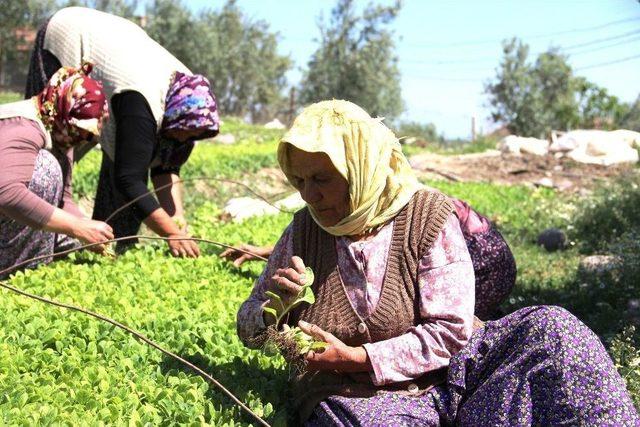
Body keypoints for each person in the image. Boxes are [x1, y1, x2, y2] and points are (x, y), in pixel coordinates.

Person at [236, 100, 638, 425]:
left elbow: (452, 331)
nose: (309, 195)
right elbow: (249, 328)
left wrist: (363, 356)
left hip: (460, 377)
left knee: (552, 331)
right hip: (361, 399)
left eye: (321, 179)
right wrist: (273, 307)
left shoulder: (428, 217)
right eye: (299, 181)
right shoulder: (303, 231)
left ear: (360, 169)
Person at [25, 7, 220, 258]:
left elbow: (166, 168)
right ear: (173, 116)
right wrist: (171, 233)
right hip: (70, 34)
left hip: (122, 53)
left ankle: (105, 247)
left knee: (129, 163)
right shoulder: (142, 102)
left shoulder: (191, 104)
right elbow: (129, 179)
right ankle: (35, 247)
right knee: (50, 153)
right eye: (185, 134)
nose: (186, 140)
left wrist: (177, 220)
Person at [224, 196, 515, 320]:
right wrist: (270, 253)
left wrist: (358, 357)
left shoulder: (411, 207)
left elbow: (372, 258)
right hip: (493, 252)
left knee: (439, 314)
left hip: (484, 258)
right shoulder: (381, 201)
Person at [0, 63, 112, 279]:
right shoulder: (24, 127)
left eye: (87, 136)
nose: (80, 140)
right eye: (78, 131)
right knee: (45, 167)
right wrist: (77, 227)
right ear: (64, 109)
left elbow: (63, 199)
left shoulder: (58, 126)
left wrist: (87, 230)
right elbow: (7, 193)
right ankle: (14, 269)